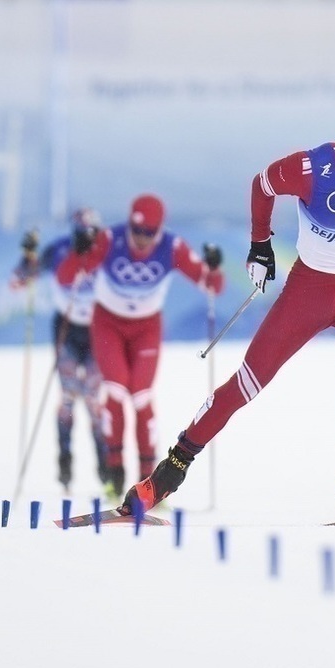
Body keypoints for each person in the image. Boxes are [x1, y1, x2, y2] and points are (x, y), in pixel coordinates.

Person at [119, 89, 335, 519]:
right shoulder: (312, 167)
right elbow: (263, 183)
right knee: (247, 384)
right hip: (311, 290)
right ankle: (168, 474)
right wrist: (259, 245)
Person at [56, 194, 226, 500]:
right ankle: (114, 473)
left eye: (149, 233)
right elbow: (67, 276)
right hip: (108, 324)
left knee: (141, 397)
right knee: (117, 391)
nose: (141, 240)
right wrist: (79, 252)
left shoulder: (171, 248)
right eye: (137, 232)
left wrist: (213, 268)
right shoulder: (110, 239)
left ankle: (148, 481)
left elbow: (212, 285)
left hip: (146, 329)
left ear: (159, 230)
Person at [10, 209, 109, 491]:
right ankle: (65, 461)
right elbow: (19, 280)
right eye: (83, 233)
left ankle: (105, 466)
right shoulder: (59, 250)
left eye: (94, 233)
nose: (89, 238)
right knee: (67, 396)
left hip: (97, 331)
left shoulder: (106, 250)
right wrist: (27, 255)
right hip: (67, 328)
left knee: (93, 398)